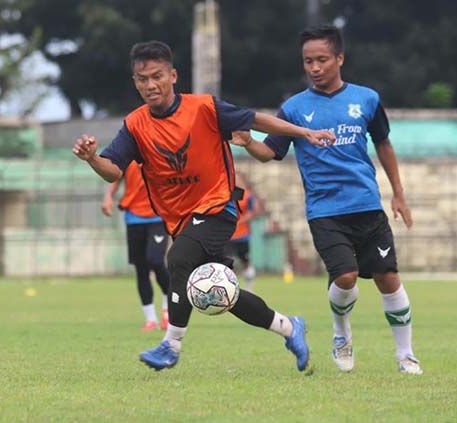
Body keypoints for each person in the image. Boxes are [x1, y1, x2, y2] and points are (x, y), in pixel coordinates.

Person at [72, 40, 335, 372]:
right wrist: (92, 157)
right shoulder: (136, 125)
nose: (150, 85)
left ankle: (171, 345)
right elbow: (113, 171)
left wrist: (304, 133)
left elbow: (256, 121)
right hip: (181, 221)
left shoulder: (204, 108)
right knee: (219, 293)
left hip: (217, 206)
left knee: (177, 258)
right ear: (135, 82)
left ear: (173, 76)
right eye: (142, 79)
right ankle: (289, 327)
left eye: (157, 76)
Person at [231, 24, 423, 375]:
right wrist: (247, 142)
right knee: (346, 276)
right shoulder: (293, 108)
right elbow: (270, 152)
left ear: (339, 58)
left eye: (322, 60)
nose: (315, 67)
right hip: (325, 210)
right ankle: (341, 333)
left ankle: (406, 355)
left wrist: (398, 194)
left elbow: (384, 144)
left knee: (387, 277)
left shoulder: (366, 99)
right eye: (308, 61)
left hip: (366, 204)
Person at [101, 161, 169, 332]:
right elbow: (116, 174)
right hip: (134, 217)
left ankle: (168, 311)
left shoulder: (161, 147)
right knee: (141, 268)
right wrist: (109, 196)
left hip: (158, 216)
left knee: (156, 260)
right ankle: (150, 319)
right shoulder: (128, 149)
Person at [224, 172, 259, 292]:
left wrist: (243, 219)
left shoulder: (248, 196)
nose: (236, 181)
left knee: (245, 261)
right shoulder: (228, 194)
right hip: (228, 236)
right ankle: (228, 288)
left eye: (238, 179)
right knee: (227, 262)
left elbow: (255, 211)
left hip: (243, 235)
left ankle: (249, 287)